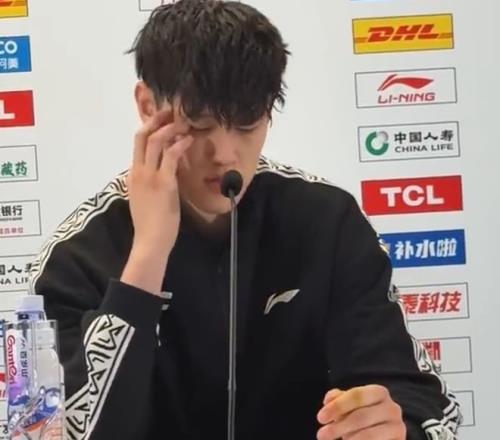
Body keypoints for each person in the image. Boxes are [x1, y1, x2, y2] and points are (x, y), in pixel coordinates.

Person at [28, 1, 462, 439]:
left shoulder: (327, 223)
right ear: (147, 104)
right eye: (198, 124)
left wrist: (396, 427)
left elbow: (429, 411)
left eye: (247, 123)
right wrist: (147, 257)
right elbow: (70, 431)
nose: (224, 154)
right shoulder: (76, 256)